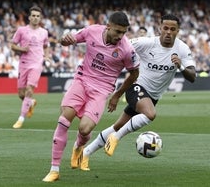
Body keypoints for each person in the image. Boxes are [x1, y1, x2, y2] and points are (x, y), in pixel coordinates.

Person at [78, 14, 196, 171]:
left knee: (118, 125)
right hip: (136, 88)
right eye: (165, 28)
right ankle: (116, 138)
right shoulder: (146, 43)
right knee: (150, 114)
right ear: (160, 28)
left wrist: (180, 66)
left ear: (178, 31)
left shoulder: (182, 49)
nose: (168, 32)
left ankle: (85, 154)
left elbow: (192, 76)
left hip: (152, 97)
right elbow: (122, 45)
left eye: (172, 29)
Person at [42, 11, 139, 182]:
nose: (120, 36)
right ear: (108, 26)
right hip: (82, 80)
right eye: (117, 31)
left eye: (124, 32)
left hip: (101, 90)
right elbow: (68, 40)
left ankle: (79, 145)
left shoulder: (126, 49)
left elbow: (134, 73)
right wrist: (65, 39)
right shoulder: (92, 31)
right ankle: (54, 169)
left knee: (85, 129)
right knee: (64, 119)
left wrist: (117, 95)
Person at [11, 6, 50, 129]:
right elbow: (12, 45)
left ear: (40, 18)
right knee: (21, 94)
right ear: (29, 17)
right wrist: (22, 49)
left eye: (37, 16)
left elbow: (46, 45)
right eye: (33, 15)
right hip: (23, 64)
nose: (35, 18)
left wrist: (47, 57)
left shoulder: (44, 32)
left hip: (36, 64)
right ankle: (31, 102)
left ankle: (21, 119)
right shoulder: (22, 30)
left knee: (29, 89)